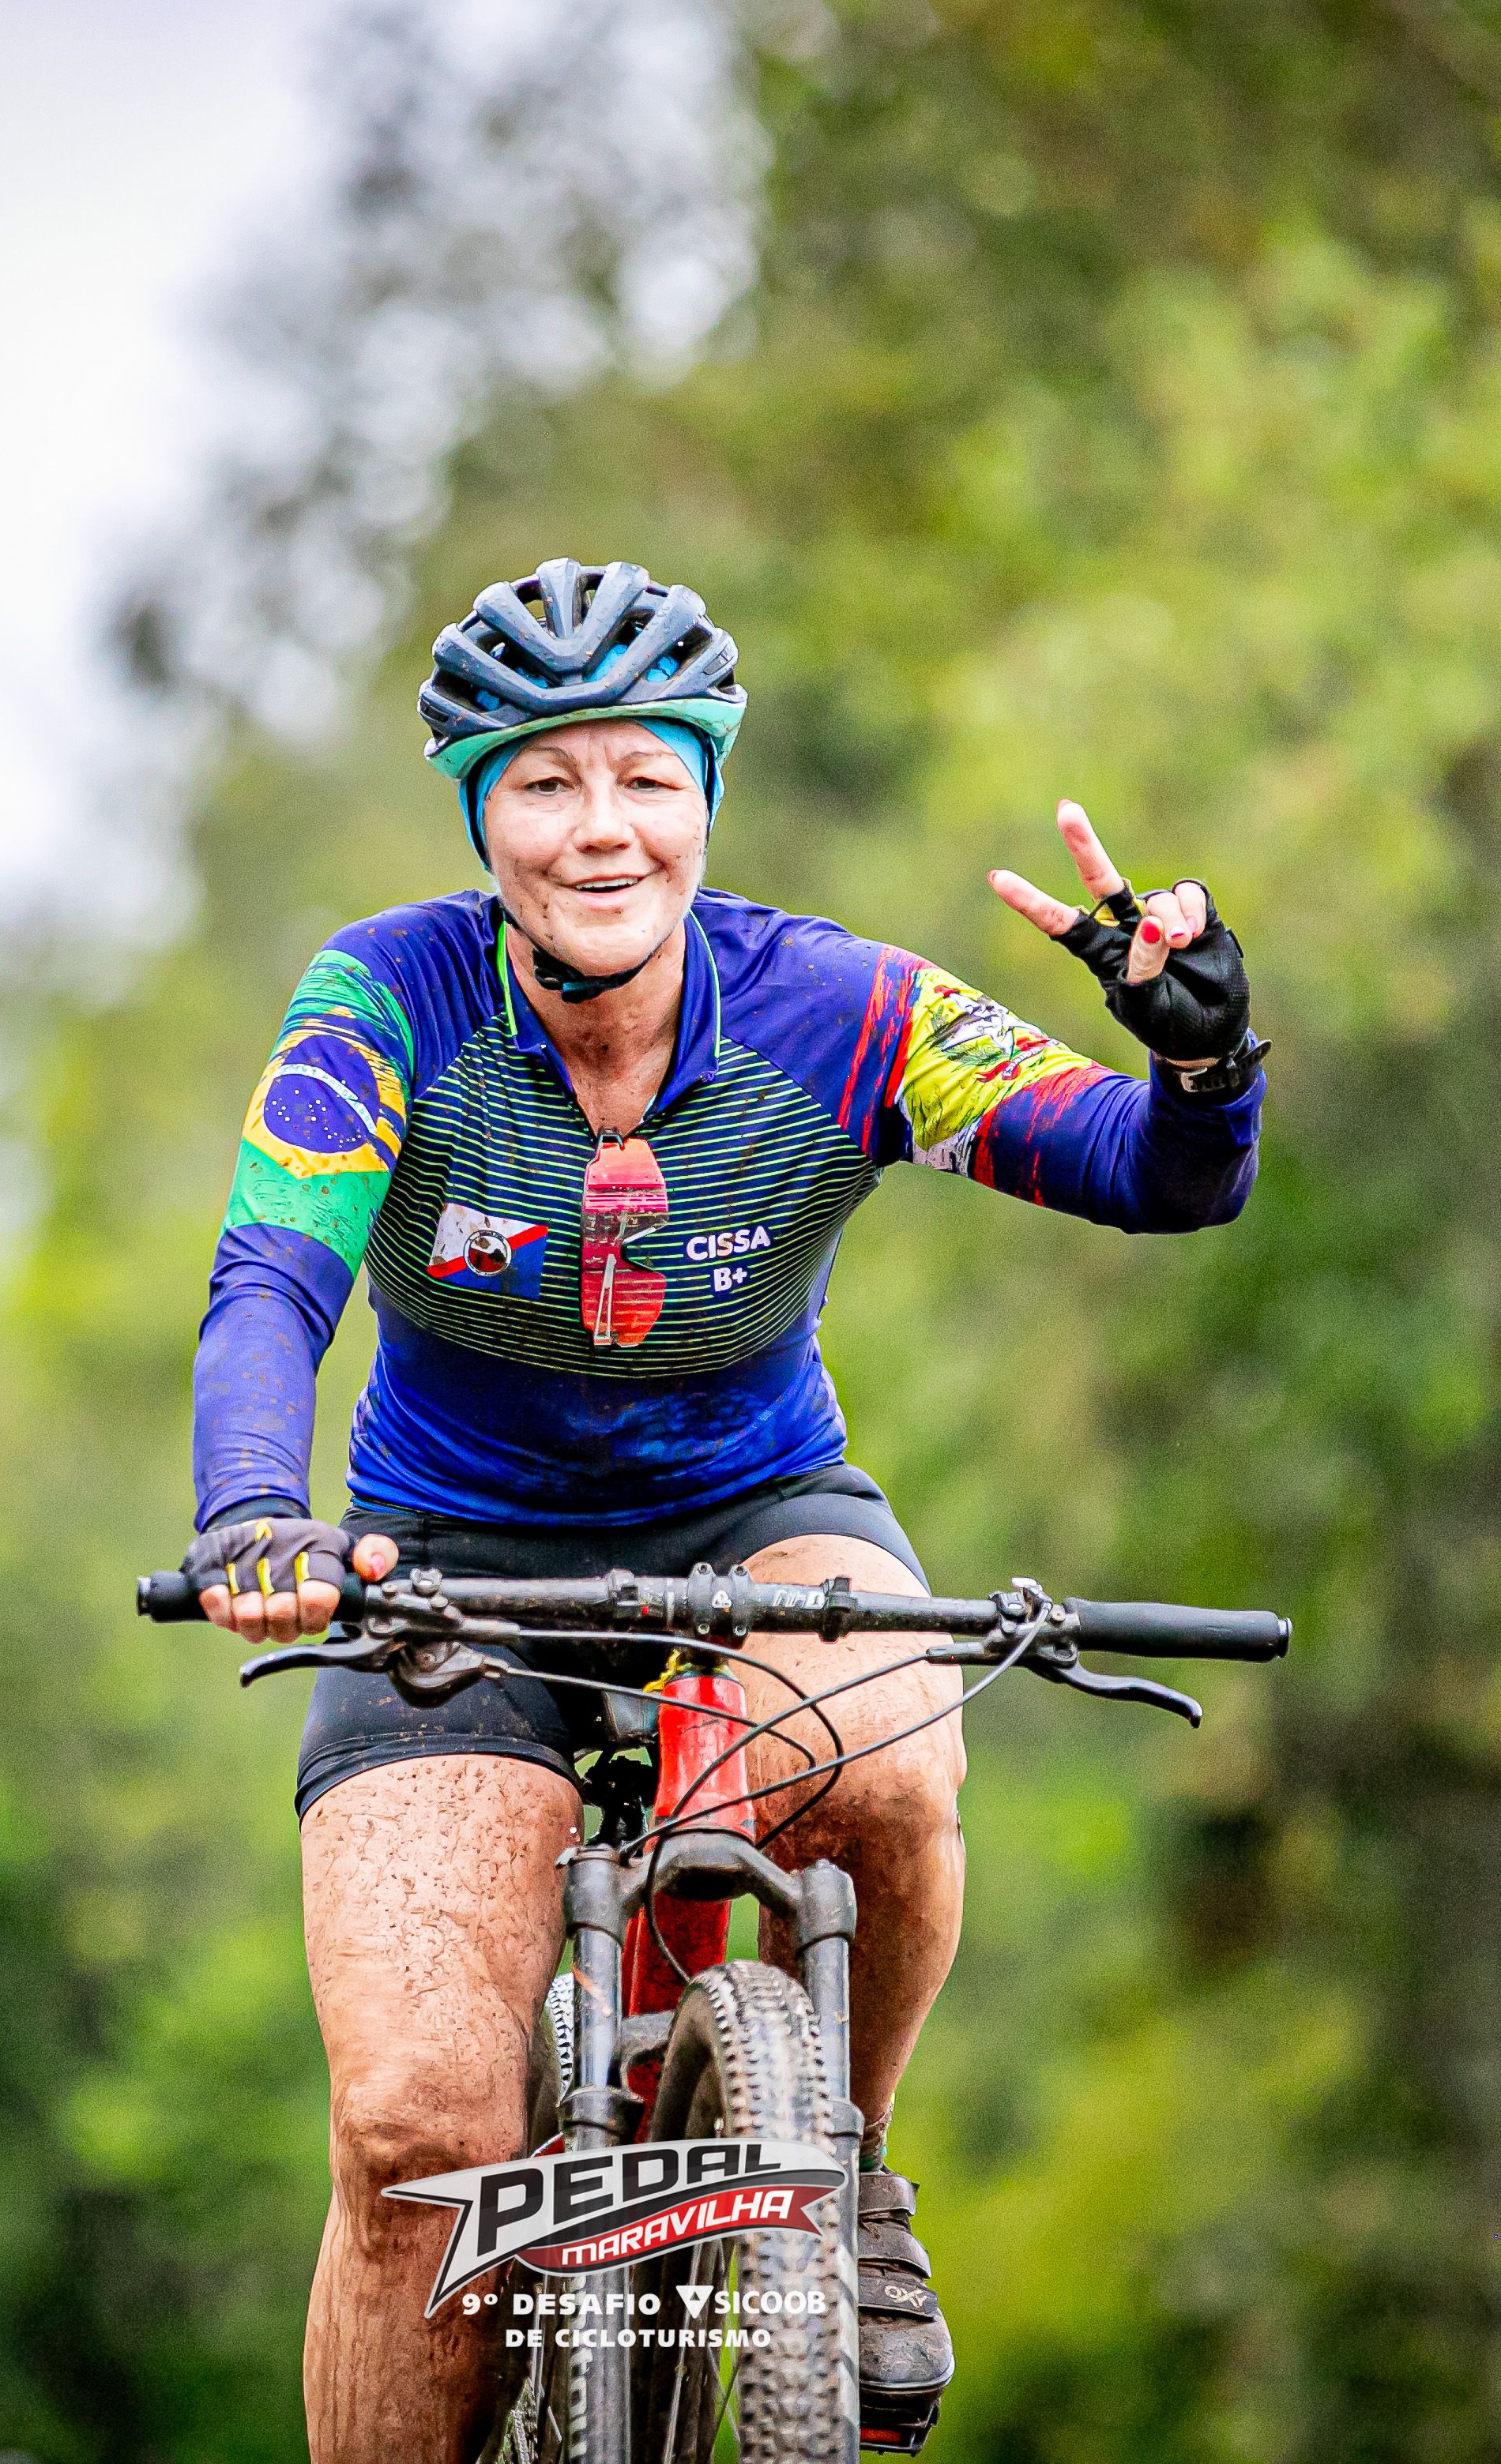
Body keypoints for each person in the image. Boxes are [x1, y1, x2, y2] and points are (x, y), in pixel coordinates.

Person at [183, 558, 1266, 2458]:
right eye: (545, 783)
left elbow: (1160, 1177)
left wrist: (1196, 1052)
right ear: (480, 816)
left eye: (647, 778)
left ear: (708, 798)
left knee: (892, 1764)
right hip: (443, 1564)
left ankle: (842, 2172)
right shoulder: (386, 998)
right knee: (416, 2137)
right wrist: (256, 1513)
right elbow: (273, 1276)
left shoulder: (840, 1010)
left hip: (759, 1519)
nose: (601, 828)